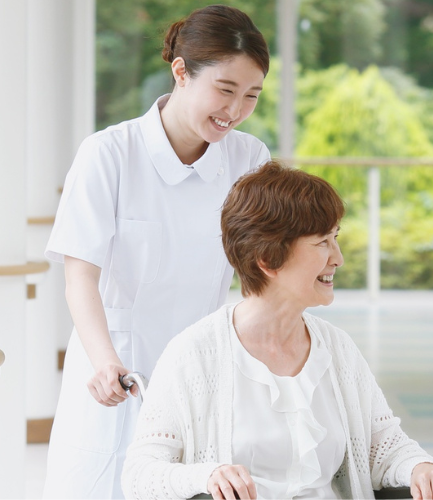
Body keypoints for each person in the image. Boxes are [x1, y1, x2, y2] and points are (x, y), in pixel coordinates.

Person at [121, 161, 433, 500]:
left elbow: (384, 446)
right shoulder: (194, 354)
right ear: (269, 259)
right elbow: (139, 474)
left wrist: (420, 467)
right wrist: (206, 476)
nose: (338, 258)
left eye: (336, 238)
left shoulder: (337, 349)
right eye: (322, 243)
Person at [42, 6, 271, 498]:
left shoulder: (249, 158)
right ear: (181, 71)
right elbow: (80, 276)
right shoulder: (109, 153)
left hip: (202, 369)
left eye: (251, 95)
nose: (234, 110)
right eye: (225, 90)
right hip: (117, 369)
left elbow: (262, 272)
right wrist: (104, 361)